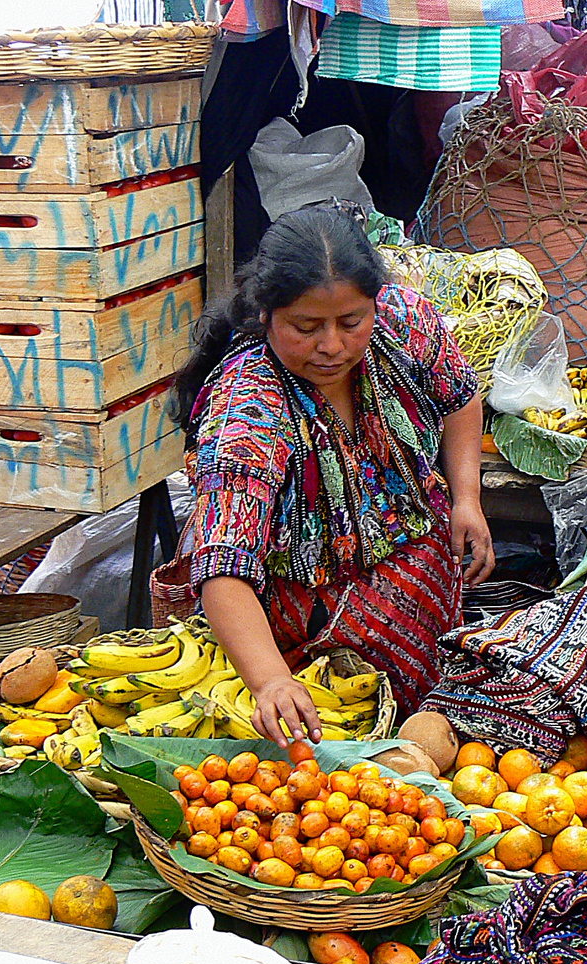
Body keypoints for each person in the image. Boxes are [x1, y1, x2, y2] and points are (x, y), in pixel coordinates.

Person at [174, 207, 494, 750]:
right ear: (267, 313)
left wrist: (466, 497)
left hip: (428, 595)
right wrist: (271, 680)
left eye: (351, 322)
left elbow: (461, 397)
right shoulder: (248, 408)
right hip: (316, 641)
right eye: (306, 327)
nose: (332, 345)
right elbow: (221, 566)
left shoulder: (404, 321)